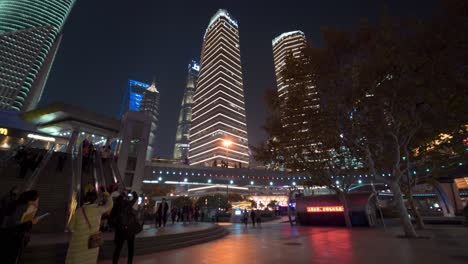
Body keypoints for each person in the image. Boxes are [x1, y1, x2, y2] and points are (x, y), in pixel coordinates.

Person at [65, 190, 113, 264]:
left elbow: (70, 227)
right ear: (95, 200)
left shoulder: (78, 212)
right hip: (92, 244)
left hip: (78, 246)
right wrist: (106, 194)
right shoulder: (98, 210)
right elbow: (110, 205)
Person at [2, 190, 40, 263]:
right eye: (37, 200)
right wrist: (31, 223)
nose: (37, 203)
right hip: (11, 239)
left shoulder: (16, 205)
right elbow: (16, 225)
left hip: (8, 237)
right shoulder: (22, 208)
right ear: (31, 200)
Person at [110, 191, 141, 264]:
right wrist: (132, 192)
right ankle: (129, 262)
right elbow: (135, 197)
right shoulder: (127, 204)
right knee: (131, 248)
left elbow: (111, 221)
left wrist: (117, 225)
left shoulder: (115, 207)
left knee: (118, 249)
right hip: (130, 230)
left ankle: (114, 262)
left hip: (121, 231)